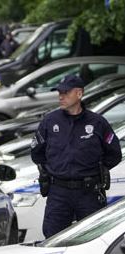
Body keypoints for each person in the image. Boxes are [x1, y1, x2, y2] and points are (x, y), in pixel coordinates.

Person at [31, 74, 122, 238]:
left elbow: (114, 154)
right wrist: (53, 170)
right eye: (59, 93)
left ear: (79, 94)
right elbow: (37, 153)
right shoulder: (50, 122)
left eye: (66, 92)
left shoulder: (97, 123)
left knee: (94, 238)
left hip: (89, 192)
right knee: (52, 238)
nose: (61, 96)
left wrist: (97, 169)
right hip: (59, 193)